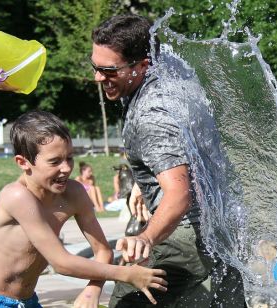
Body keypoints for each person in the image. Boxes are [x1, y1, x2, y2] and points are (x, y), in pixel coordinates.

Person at [91, 14, 246, 307]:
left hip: (184, 234)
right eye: (95, 66)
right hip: (224, 226)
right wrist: (144, 180)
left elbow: (178, 195)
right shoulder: (173, 70)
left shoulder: (151, 116)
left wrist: (146, 238)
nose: (98, 77)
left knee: (127, 303)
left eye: (108, 70)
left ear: (142, 65)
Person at [0, 110, 167, 308]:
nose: (66, 168)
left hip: (28, 301)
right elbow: (61, 262)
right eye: (54, 162)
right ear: (23, 163)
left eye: (69, 158)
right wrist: (126, 274)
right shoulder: (16, 196)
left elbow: (103, 250)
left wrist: (93, 289)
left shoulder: (74, 194)